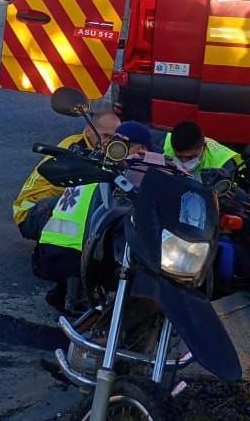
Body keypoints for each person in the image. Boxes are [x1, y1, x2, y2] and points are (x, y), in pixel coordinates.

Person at [34, 121, 153, 311]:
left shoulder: (94, 166)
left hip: (47, 252)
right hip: (76, 257)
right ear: (142, 149)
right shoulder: (119, 177)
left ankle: (66, 291)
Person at [13, 108, 121, 242]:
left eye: (115, 138)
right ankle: (55, 251)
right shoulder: (75, 147)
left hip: (54, 201)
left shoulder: (108, 149)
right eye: (106, 136)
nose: (110, 142)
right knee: (83, 209)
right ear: (88, 131)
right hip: (32, 210)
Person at [163, 121, 241, 178]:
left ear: (204, 147)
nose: (184, 162)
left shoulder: (224, 164)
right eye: (179, 157)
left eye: (190, 158)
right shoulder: (164, 141)